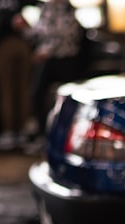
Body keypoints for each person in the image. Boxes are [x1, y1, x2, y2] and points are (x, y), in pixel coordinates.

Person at [18, 0, 83, 150]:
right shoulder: (46, 8)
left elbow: (67, 34)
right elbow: (39, 32)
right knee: (36, 95)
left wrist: (47, 51)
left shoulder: (68, 10)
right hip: (47, 62)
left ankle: (68, 135)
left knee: (69, 98)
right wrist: (24, 28)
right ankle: (43, 135)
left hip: (66, 59)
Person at [0, 0, 34, 150]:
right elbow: (26, 23)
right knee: (23, 90)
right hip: (22, 44)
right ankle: (21, 131)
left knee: (6, 91)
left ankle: (9, 132)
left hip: (3, 46)